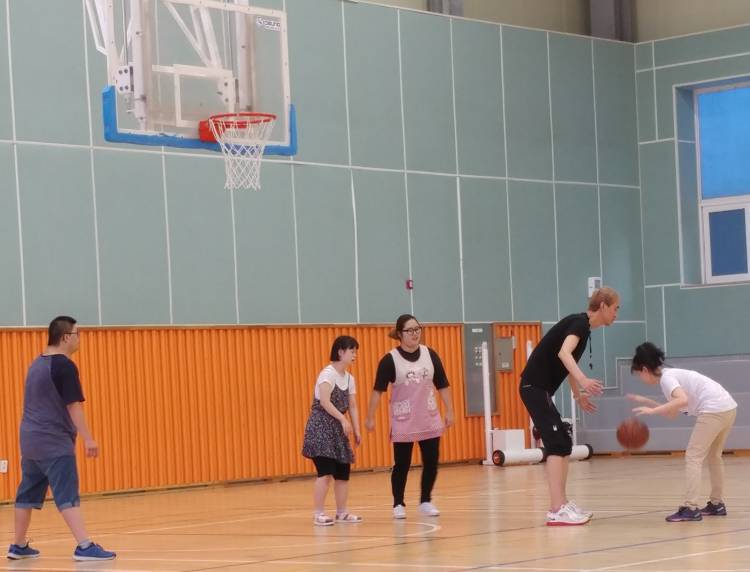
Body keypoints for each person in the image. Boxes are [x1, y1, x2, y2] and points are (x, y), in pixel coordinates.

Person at [7, 316, 116, 561]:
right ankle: (85, 546)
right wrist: (88, 438)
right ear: (66, 337)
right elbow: (73, 405)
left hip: (30, 441)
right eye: (77, 334)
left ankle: (18, 545)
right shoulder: (64, 366)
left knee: (27, 493)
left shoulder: (36, 363)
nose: (80, 339)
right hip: (54, 441)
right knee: (67, 493)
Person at [520, 287, 620, 526]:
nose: (616, 314)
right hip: (534, 387)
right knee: (556, 444)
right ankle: (556, 509)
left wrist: (578, 395)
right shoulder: (579, 324)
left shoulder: (583, 328)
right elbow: (564, 353)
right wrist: (584, 380)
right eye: (615, 308)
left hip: (540, 389)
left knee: (563, 442)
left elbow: (568, 364)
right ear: (603, 306)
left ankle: (562, 503)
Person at [629, 342, 738, 522]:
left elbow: (682, 400)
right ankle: (717, 504)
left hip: (713, 409)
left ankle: (690, 508)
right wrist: (648, 402)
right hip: (728, 407)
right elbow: (672, 413)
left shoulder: (667, 379)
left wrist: (653, 410)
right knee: (714, 456)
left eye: (639, 374)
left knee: (693, 456)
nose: (641, 378)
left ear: (645, 369)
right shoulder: (670, 376)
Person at [365, 314, 455, 519]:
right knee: (402, 464)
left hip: (429, 416)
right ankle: (398, 503)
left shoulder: (430, 355)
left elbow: (442, 384)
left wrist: (450, 410)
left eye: (417, 329)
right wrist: (370, 417)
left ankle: (425, 500)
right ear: (400, 334)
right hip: (404, 419)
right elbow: (378, 391)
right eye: (410, 330)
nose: (415, 334)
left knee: (431, 461)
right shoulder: (389, 360)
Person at [302, 335, 362, 526]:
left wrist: (357, 429)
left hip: (338, 430)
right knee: (325, 472)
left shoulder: (350, 379)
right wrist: (343, 419)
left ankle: (342, 512)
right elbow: (325, 402)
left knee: (343, 473)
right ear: (340, 352)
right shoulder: (327, 374)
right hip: (321, 427)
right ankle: (318, 513)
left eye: (355, 351)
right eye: (352, 351)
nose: (354, 354)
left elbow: (352, 406)